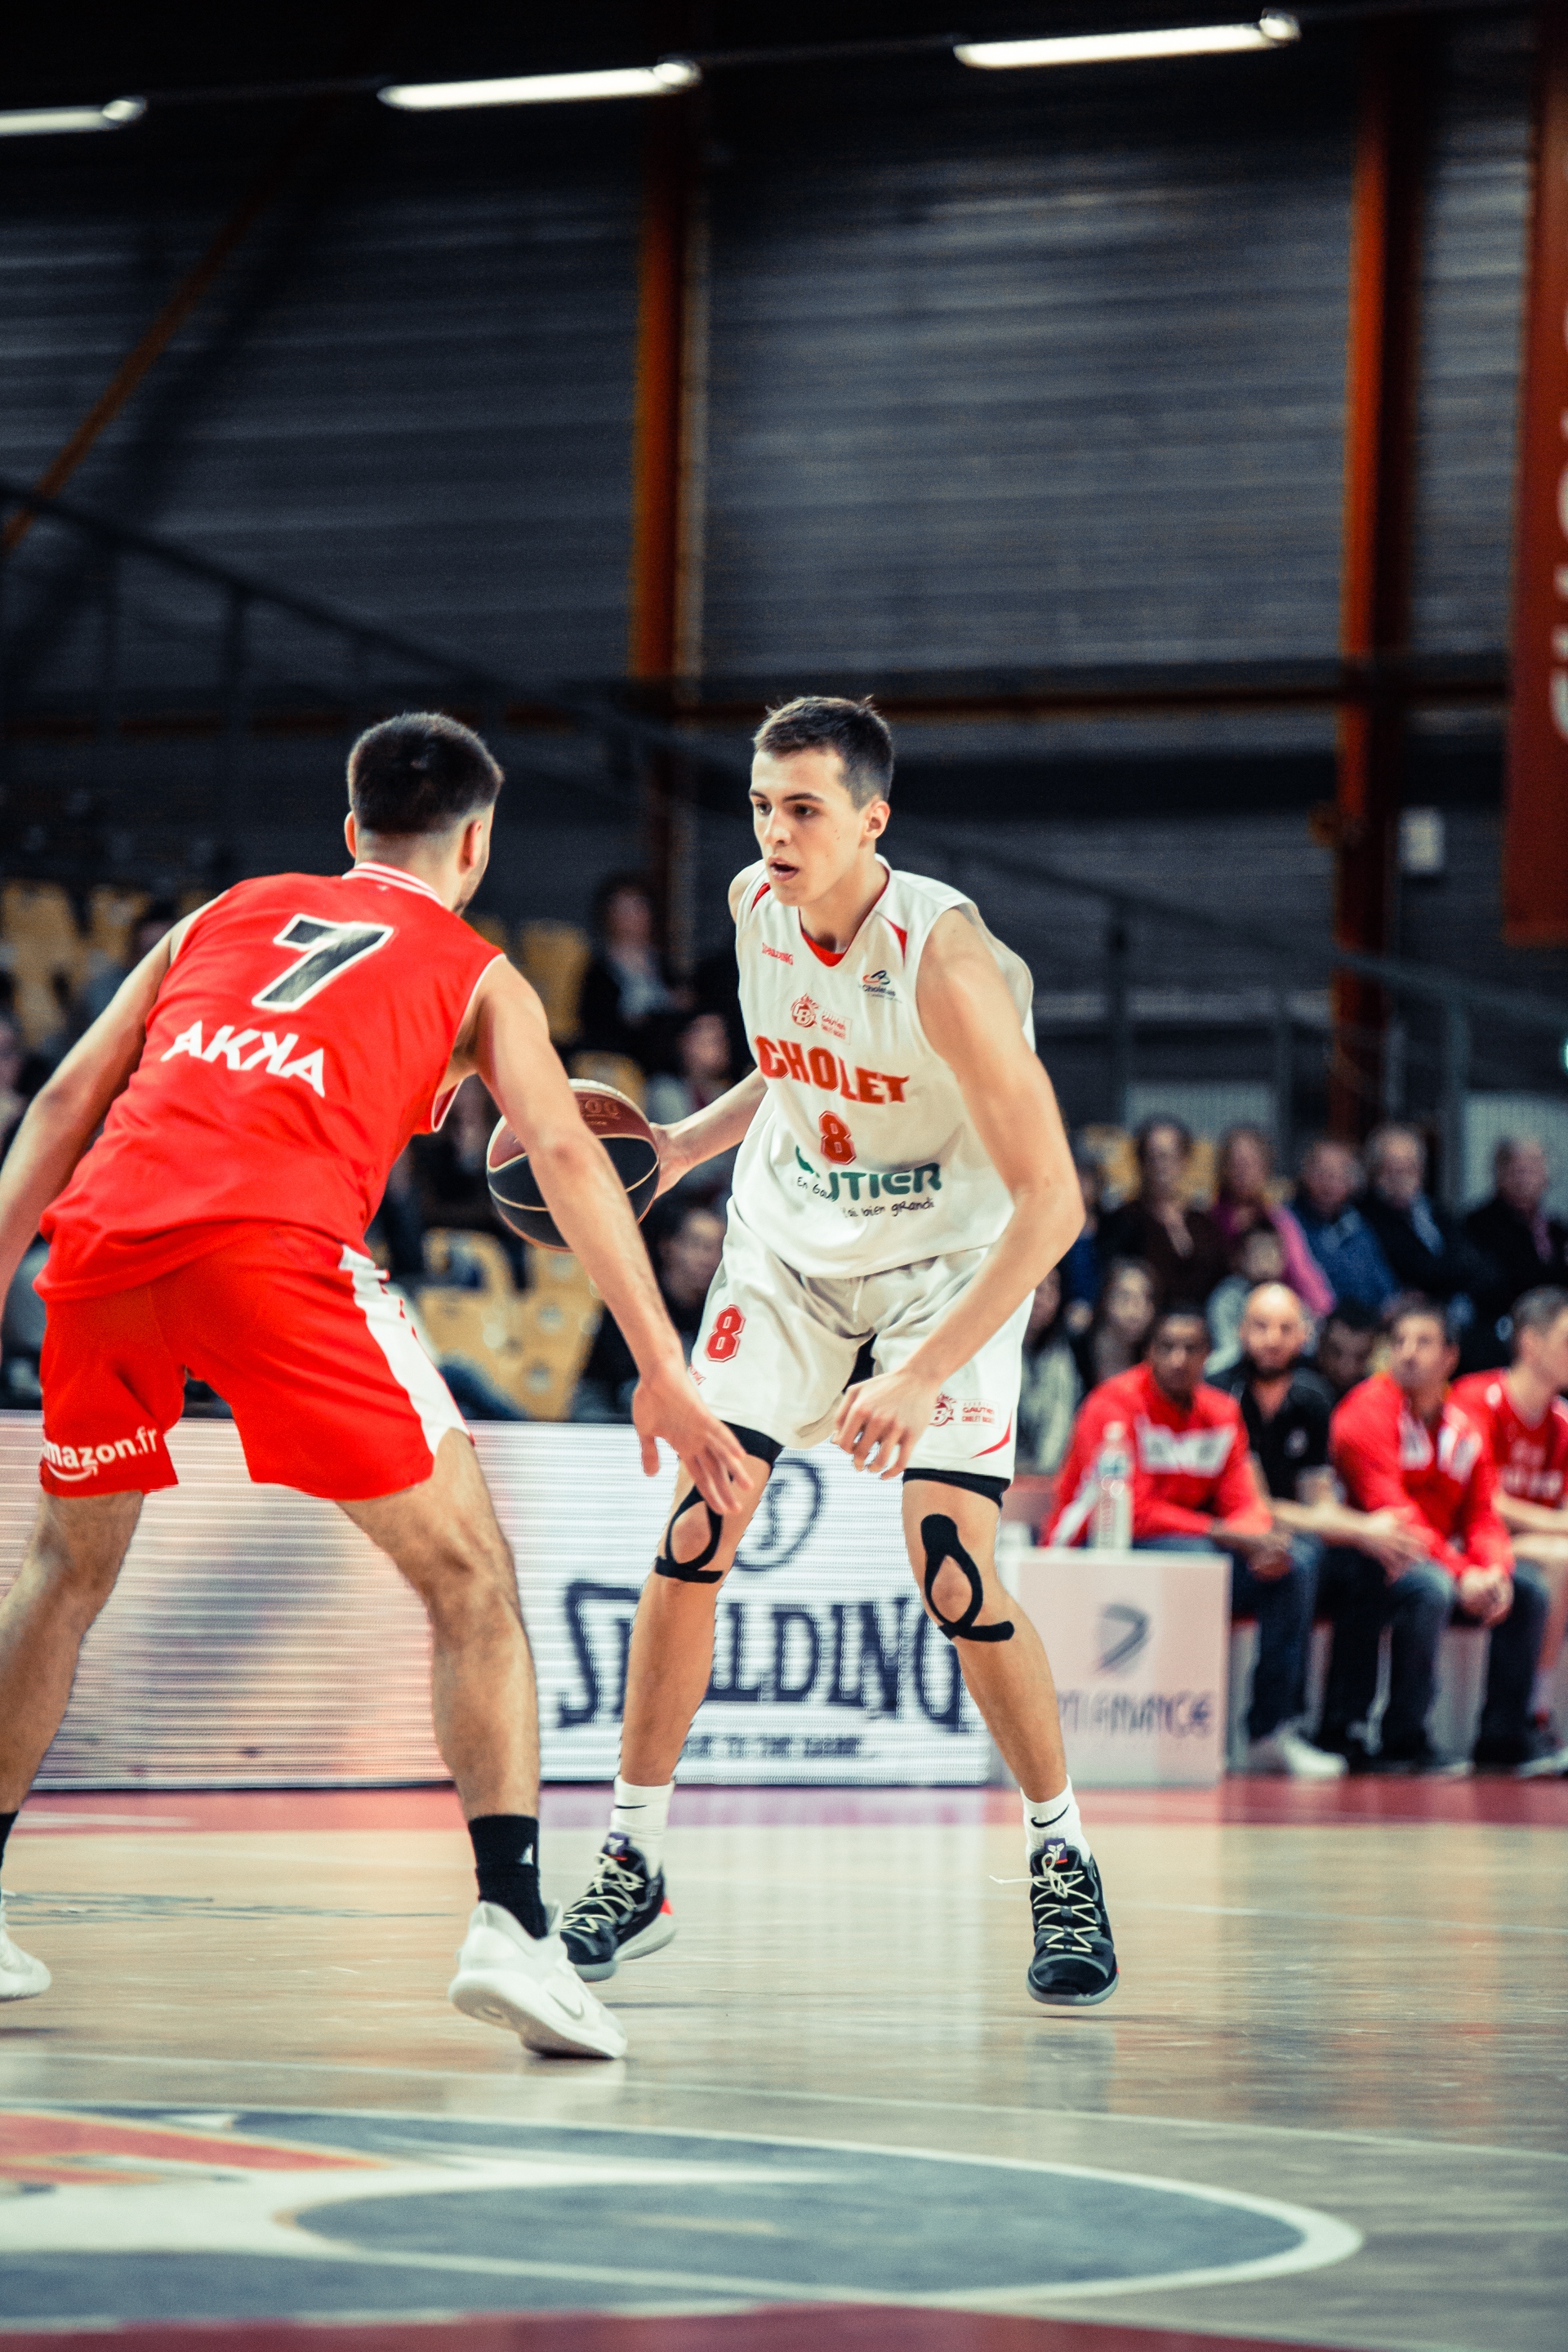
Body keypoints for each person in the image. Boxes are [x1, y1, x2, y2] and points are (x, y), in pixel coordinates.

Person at [0, 712, 747, 2050]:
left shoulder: (226, 912)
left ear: (352, 833)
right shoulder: (480, 971)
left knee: (62, 1571)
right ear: (478, 841)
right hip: (276, 1262)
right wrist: (663, 1365)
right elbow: (572, 1160)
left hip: (105, 1246)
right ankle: (516, 1928)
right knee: (471, 1582)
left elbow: (60, 1107)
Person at [557, 695, 1113, 2010]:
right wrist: (687, 1145)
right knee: (701, 1523)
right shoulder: (759, 905)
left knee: (952, 1570)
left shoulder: (946, 962)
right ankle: (634, 1856)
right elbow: (792, 1060)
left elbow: (1056, 1207)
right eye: (761, 805)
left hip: (950, 1268)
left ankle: (1062, 1855)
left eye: (803, 808)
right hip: (792, 1250)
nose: (775, 830)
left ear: (873, 819)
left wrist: (920, 1375)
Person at [1049, 1301, 1343, 1776]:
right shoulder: (1115, 1404)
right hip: (1096, 1545)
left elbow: (1243, 1500)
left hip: (1189, 1543)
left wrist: (1259, 1540)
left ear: (1209, 1356)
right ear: (1147, 1353)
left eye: (1191, 1348)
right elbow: (1131, 1512)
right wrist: (1228, 1535)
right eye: (1166, 1347)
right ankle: (1181, 1733)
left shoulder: (1222, 1412)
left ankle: (1270, 1732)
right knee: (1203, 1560)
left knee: (1296, 1562)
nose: (1178, 1359)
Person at [1317, 1298, 1550, 1775]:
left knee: (1528, 1592)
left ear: (1450, 1357)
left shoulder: (1462, 1427)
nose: (1407, 1353)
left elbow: (1484, 1514)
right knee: (1432, 1588)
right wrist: (1465, 1574)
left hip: (1431, 1555)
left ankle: (1503, 1737)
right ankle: (1402, 1738)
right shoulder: (1365, 1412)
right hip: (1360, 1557)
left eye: (1423, 1343)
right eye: (1398, 1342)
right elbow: (1397, 1517)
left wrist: (1493, 1571)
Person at [1209, 1282, 1387, 1778]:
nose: (1272, 1339)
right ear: (1241, 1331)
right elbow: (1256, 1504)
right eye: (1261, 1327)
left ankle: (1343, 1725)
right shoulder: (1221, 1392)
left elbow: (1318, 1497)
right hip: (1224, 1536)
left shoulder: (1312, 1396)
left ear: (1304, 1336)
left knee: (1364, 1570)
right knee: (1300, 1562)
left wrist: (1362, 1534)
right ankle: (1271, 1728)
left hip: (1284, 1533)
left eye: (1285, 1329)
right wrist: (1364, 1527)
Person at [1451, 1287, 1568, 1766]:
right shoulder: (1476, 1397)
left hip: (1530, 1544)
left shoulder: (1563, 1420)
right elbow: (1483, 1503)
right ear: (1531, 1343)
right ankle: (1534, 1714)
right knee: (1562, 1560)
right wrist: (1557, 1525)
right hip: (1468, 1540)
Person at [573, 1200, 728, 1421]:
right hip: (610, 1414)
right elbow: (628, 1385)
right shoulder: (633, 1303)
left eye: (717, 1248)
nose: (708, 1258)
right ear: (668, 1247)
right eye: (697, 1245)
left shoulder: (720, 1311)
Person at [1098, 1118, 1229, 1310]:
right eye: (1152, 1156)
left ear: (1184, 1161)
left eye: (1169, 1156)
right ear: (1141, 1162)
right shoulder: (1121, 1220)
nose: (1161, 1165)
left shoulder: (1203, 1223)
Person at [1356, 1126, 1481, 1325]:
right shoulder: (1364, 1214)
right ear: (1375, 1171)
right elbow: (1416, 1268)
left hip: (1450, 1311)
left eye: (1410, 1166)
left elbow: (1475, 1262)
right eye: (1392, 1167)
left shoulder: (1433, 1209)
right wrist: (1452, 1275)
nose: (1401, 1175)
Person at [1463, 1138, 1568, 1369]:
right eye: (1519, 1170)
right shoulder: (1480, 1223)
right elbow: (1495, 1284)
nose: (1527, 1178)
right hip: (1506, 1331)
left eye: (1535, 1169)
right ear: (1501, 1174)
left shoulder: (1557, 1229)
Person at [1212, 1125, 1333, 1319]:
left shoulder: (1279, 1219)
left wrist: (1324, 1313)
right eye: (1236, 1163)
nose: (1243, 1171)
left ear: (1266, 1168)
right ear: (1223, 1168)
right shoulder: (1208, 1217)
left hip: (1277, 1305)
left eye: (1252, 1163)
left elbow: (1302, 1272)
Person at [577, 873, 688, 1076]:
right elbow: (597, 1025)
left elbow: (683, 1001)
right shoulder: (599, 971)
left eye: (639, 907)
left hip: (672, 1059)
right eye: (624, 910)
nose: (633, 917)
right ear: (608, 915)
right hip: (630, 1061)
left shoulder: (661, 963)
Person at [1292, 1138, 1398, 1312]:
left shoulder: (1356, 1223)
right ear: (1306, 1175)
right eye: (1322, 1174)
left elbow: (1383, 1283)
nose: (1329, 1184)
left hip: (1368, 1322)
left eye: (1337, 1176)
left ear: (1351, 1182)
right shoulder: (1288, 1221)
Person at [1016, 1265, 1082, 1477]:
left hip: (1044, 1479)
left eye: (1050, 1288)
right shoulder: (990, 1349)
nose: (1040, 1298)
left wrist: (1042, 1473)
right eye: (1032, 1287)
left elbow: (1059, 1426)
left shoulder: (1062, 1355)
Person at [1204, 1223, 1288, 1376]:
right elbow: (1227, 1349)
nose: (1266, 1258)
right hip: (1235, 1368)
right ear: (1240, 1258)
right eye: (1258, 1251)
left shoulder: (1288, 1298)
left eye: (1272, 1250)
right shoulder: (1227, 1297)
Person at [1072, 1256, 1157, 1392]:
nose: (1137, 1309)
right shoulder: (1075, 1352)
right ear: (1105, 1300)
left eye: (1146, 1298)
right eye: (1125, 1297)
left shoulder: (1153, 1363)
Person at [1311, 1297, 1380, 1400]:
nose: (1346, 1368)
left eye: (1360, 1358)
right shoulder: (1291, 1385)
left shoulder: (1375, 1397)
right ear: (1321, 1345)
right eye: (1336, 1352)